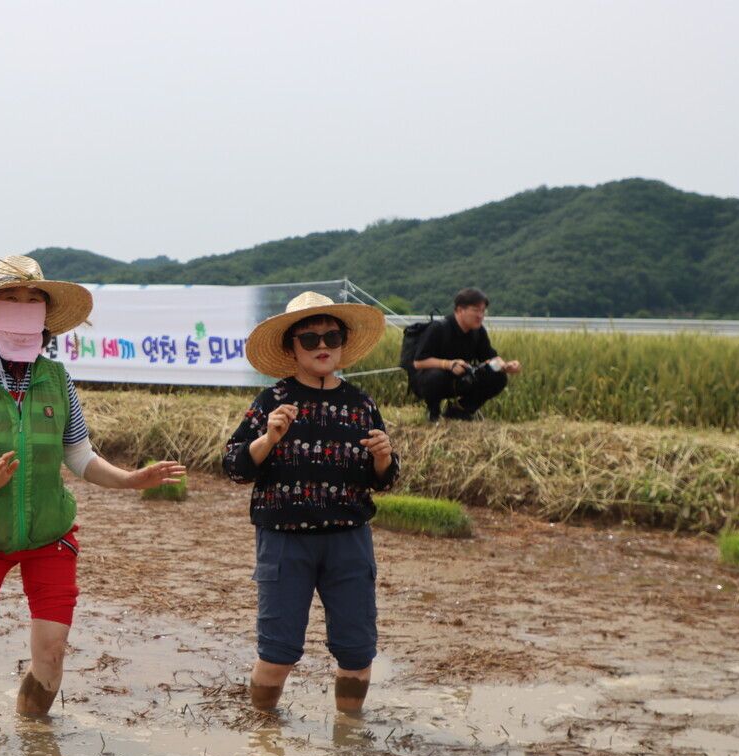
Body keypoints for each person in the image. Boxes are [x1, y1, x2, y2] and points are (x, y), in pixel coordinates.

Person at [0, 254, 185, 740]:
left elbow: (80, 456)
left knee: (52, 651)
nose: (22, 306)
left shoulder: (57, 379)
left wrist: (130, 479)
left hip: (49, 535)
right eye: (11, 298)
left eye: (33, 299)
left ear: (45, 317)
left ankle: (35, 748)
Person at [224, 292, 399, 715]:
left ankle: (349, 735)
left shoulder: (361, 405)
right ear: (291, 349)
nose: (322, 346)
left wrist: (383, 458)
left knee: (357, 651)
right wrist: (267, 439)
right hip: (285, 541)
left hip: (349, 540)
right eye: (310, 339)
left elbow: (386, 481)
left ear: (342, 345)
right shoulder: (272, 402)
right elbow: (234, 466)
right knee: (278, 650)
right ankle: (262, 735)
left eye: (332, 337)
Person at [412, 287, 522, 422]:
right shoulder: (439, 328)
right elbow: (418, 362)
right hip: (433, 380)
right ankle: (433, 411)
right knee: (435, 376)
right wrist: (448, 364)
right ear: (460, 310)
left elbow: (490, 356)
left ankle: (460, 410)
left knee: (498, 376)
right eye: (476, 311)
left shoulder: (478, 331)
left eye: (483, 311)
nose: (480, 316)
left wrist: (505, 365)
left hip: (463, 379)